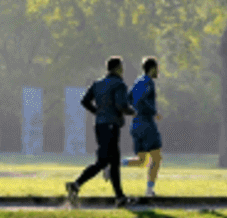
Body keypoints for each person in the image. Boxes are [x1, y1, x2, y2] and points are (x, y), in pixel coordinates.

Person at [65, 56, 133, 208]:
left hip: (100, 126)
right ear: (116, 68)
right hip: (111, 126)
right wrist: (133, 112)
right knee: (104, 161)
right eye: (121, 66)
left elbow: (85, 101)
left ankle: (120, 197)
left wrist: (98, 113)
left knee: (113, 162)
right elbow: (122, 105)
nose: (123, 69)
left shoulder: (98, 83)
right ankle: (76, 184)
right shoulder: (119, 84)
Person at [123, 57, 162, 205]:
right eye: (157, 68)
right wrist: (154, 111)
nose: (158, 71)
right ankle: (149, 191)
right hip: (147, 124)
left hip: (136, 124)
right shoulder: (148, 82)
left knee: (141, 160)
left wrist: (134, 111)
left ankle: (114, 165)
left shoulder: (137, 81)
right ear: (151, 68)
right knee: (156, 159)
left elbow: (129, 98)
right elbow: (141, 99)